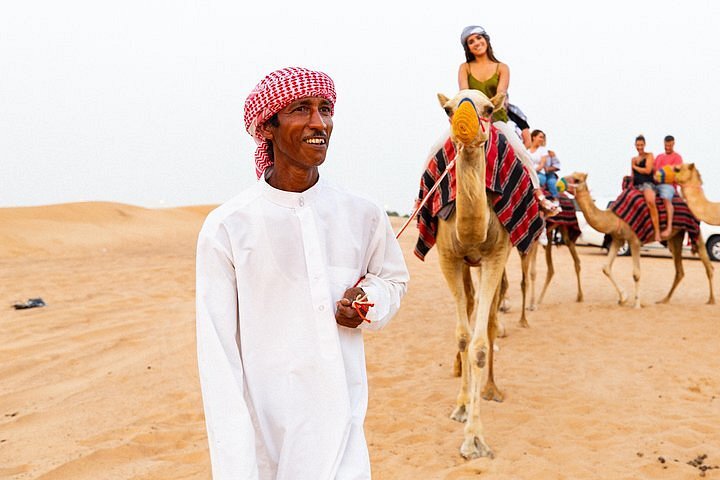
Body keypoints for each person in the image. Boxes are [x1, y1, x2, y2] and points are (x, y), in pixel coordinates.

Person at [196, 66, 409, 479]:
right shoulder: (229, 227)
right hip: (266, 445)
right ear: (268, 128)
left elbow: (392, 280)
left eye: (325, 109)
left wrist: (368, 302)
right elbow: (218, 358)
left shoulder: (361, 213)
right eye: (301, 109)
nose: (319, 122)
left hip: (343, 434)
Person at [457, 25, 560, 216]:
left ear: (486, 40)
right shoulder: (465, 68)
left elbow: (500, 95)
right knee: (436, 149)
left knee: (521, 152)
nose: (476, 43)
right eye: (471, 42)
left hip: (495, 120)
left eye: (479, 38)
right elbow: (465, 94)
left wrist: (486, 113)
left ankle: (539, 194)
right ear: (468, 48)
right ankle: (422, 198)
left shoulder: (502, 68)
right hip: (471, 122)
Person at [630, 134, 661, 242]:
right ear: (635, 145)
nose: (640, 147)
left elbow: (647, 170)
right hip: (637, 185)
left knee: (650, 202)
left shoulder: (649, 155)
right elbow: (632, 175)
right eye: (638, 145)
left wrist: (635, 167)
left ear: (645, 144)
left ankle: (657, 232)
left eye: (641, 145)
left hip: (647, 184)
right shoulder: (633, 159)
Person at [653, 134, 683, 238]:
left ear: (673, 144)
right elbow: (654, 171)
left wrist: (663, 176)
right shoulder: (659, 157)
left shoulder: (677, 157)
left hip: (668, 185)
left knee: (666, 199)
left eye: (669, 145)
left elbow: (676, 174)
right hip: (656, 184)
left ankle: (669, 227)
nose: (667, 147)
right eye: (666, 145)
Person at [527, 129, 560, 201]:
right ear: (534, 137)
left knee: (549, 182)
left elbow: (542, 164)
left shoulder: (543, 150)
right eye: (540, 137)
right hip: (527, 172)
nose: (542, 139)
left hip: (539, 173)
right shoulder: (527, 150)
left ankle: (554, 201)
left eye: (543, 138)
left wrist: (533, 172)